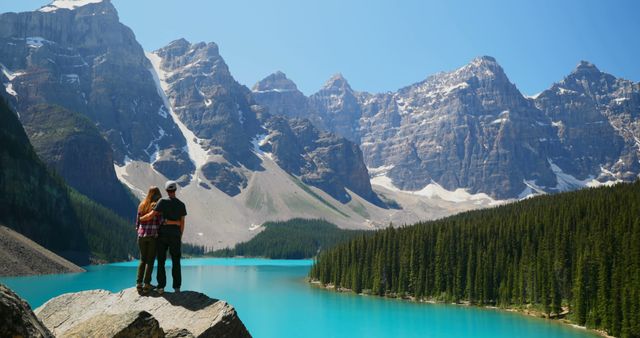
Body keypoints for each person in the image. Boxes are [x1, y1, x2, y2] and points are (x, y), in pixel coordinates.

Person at [140, 180, 187, 294]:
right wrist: (179, 236)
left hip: (162, 236)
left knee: (161, 261)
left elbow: (151, 215)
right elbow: (182, 223)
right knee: (176, 261)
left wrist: (141, 219)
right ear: (175, 190)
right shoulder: (181, 204)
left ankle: (161, 287)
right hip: (175, 235)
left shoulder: (162, 201)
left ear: (166, 190)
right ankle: (177, 287)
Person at [135, 186, 163, 294]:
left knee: (142, 260)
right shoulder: (156, 206)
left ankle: (139, 284)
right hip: (152, 236)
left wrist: (140, 231)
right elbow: (160, 222)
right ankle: (147, 285)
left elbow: (137, 222)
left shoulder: (141, 204)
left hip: (142, 236)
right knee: (150, 261)